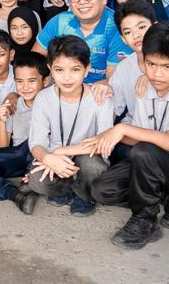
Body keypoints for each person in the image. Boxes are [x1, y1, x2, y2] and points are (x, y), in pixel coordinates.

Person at [88, 22, 169, 250]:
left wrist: (121, 129)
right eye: (151, 64)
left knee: (143, 152)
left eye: (167, 67)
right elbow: (138, 136)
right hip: (152, 163)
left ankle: (145, 220)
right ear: (143, 61)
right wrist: (109, 135)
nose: (157, 73)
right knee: (101, 189)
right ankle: (168, 198)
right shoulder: (144, 87)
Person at [27, 36, 113, 217]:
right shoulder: (43, 98)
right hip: (57, 157)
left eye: (75, 70)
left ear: (87, 69)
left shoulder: (99, 98)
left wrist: (63, 151)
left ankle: (85, 195)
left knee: (91, 165)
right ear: (50, 69)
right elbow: (36, 141)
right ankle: (67, 189)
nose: (67, 77)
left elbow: (104, 143)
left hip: (88, 156)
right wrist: (47, 157)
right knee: (36, 180)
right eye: (59, 70)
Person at [97, 0, 169, 137]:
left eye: (141, 27)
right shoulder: (124, 67)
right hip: (135, 133)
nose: (136, 35)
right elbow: (113, 108)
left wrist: (152, 77)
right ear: (123, 39)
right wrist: (103, 137)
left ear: (155, 26)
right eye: (128, 32)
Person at [0, 51, 47, 213]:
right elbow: (2, 149)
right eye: (20, 81)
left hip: (41, 156)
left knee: (33, 142)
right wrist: (2, 121)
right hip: (19, 156)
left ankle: (30, 181)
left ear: (45, 81)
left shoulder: (50, 103)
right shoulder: (14, 104)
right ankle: (15, 195)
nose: (25, 87)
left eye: (32, 81)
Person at [33, 0, 128, 82]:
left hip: (99, 89)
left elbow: (113, 80)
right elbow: (34, 62)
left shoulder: (117, 26)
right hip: (63, 85)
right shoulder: (59, 21)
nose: (82, 1)